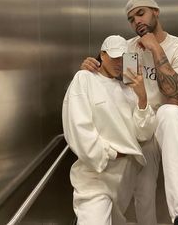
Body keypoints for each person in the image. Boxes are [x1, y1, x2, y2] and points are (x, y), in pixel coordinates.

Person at [80, 0, 178, 225]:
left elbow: (176, 96)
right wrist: (91, 67)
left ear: (156, 12)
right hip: (141, 122)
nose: (136, 21)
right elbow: (107, 77)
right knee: (144, 191)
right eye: (131, 19)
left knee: (169, 113)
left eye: (141, 13)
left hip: (171, 121)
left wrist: (156, 49)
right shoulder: (128, 49)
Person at [62, 35, 156, 225]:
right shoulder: (85, 78)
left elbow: (144, 133)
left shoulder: (129, 90)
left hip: (124, 180)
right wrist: (110, 154)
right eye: (114, 57)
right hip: (95, 176)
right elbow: (78, 127)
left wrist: (143, 97)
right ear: (102, 55)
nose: (119, 62)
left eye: (124, 58)